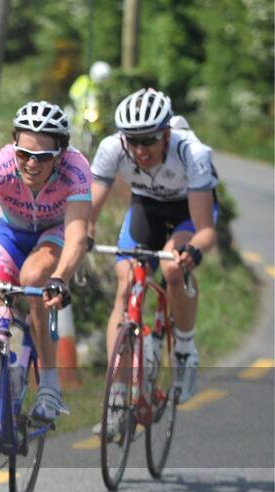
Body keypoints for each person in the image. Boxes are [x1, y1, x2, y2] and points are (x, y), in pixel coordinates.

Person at [0, 101, 91, 433]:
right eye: (24, 154)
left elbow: (78, 234)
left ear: (60, 153)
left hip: (53, 236)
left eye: (43, 157)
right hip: (11, 238)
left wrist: (60, 277)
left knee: (35, 277)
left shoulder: (76, 168)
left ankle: (49, 385)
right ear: (13, 145)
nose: (32, 164)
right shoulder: (2, 163)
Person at [90, 88, 217, 410]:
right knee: (127, 280)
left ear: (166, 133)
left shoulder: (192, 153)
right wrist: (83, 235)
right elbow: (87, 213)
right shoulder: (111, 148)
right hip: (147, 209)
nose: (140, 149)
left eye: (148, 140)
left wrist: (194, 251)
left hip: (188, 212)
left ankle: (185, 350)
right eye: (132, 140)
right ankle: (117, 393)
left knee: (174, 269)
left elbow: (205, 231)